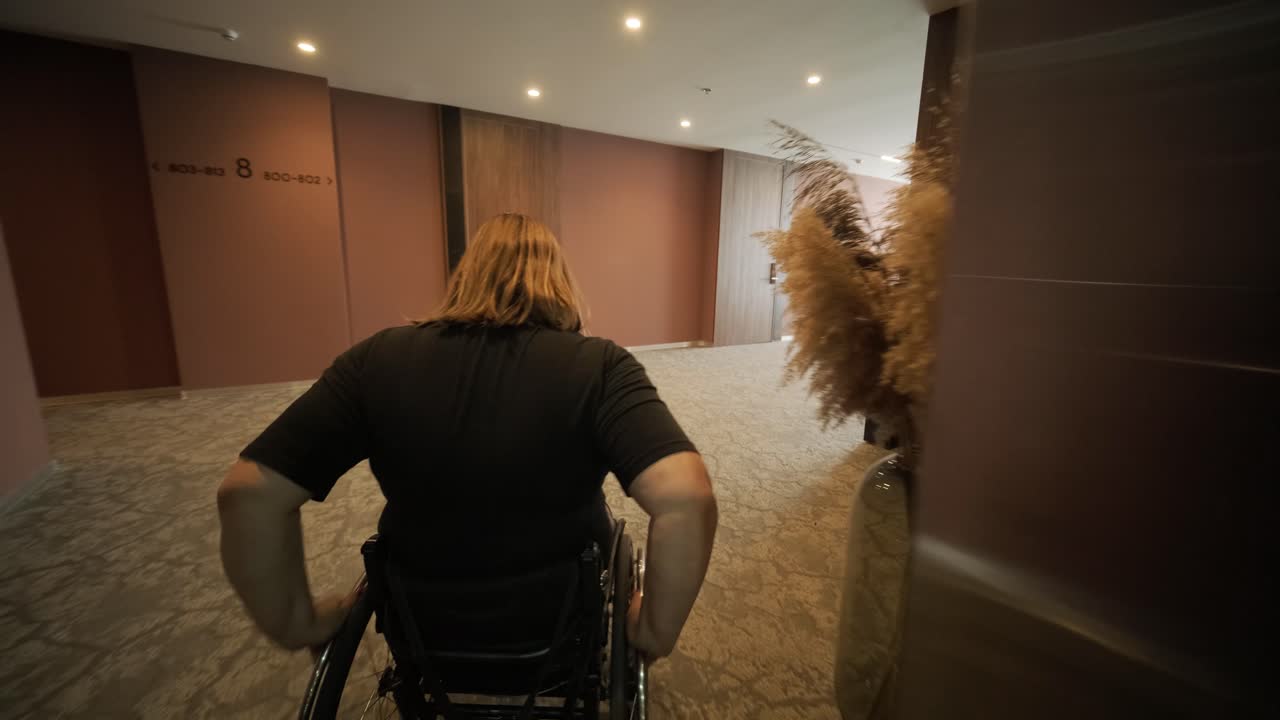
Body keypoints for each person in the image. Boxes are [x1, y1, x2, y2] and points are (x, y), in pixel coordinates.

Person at [216, 213, 717, 663]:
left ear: (467, 273)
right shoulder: (601, 366)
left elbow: (249, 493)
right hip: (560, 616)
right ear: (559, 279)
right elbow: (685, 498)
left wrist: (297, 625)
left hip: (419, 618)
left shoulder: (375, 359)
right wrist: (654, 633)